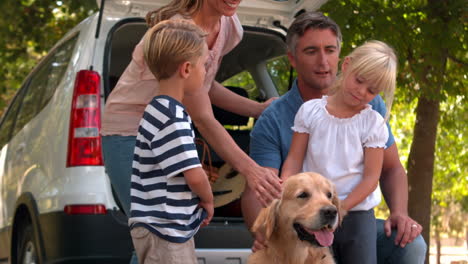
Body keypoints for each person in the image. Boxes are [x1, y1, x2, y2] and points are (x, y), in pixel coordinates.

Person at [246, 11, 427, 264]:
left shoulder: (371, 108)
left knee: (410, 244)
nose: (323, 61)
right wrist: (265, 230)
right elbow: (265, 186)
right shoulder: (279, 118)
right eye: (311, 51)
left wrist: (399, 212)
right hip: (302, 222)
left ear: (340, 56)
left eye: (330, 50)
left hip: (355, 213)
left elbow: (391, 169)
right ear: (292, 59)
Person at [102, 0, 281, 219]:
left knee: (169, 228)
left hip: (167, 131)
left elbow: (204, 84)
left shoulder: (229, 28)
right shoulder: (179, 30)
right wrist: (251, 170)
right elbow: (203, 117)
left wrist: (258, 109)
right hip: (129, 132)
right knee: (156, 226)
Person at [281, 40, 396, 263]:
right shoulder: (310, 111)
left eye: (372, 90)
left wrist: (341, 207)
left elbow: (371, 178)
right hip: (311, 210)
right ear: (346, 66)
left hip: (356, 215)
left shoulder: (373, 124)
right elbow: (294, 159)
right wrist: (285, 186)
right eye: (359, 80)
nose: (361, 91)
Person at [128, 20, 213, 264]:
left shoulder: (156, 110)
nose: (206, 71)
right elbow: (194, 175)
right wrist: (207, 199)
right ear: (186, 69)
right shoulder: (172, 117)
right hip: (166, 229)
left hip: (155, 226)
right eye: (204, 65)